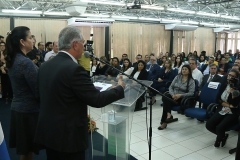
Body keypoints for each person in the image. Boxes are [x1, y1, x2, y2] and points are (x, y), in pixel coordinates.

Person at [34, 26, 125, 160]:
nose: (84, 47)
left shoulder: (45, 66)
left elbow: (40, 95)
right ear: (75, 44)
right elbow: (96, 100)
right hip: (68, 137)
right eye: (83, 43)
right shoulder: (75, 69)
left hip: (49, 133)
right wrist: (119, 88)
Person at [5, 26, 40, 160]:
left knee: (25, 151)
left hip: (18, 109)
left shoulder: (15, 59)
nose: (33, 40)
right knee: (27, 151)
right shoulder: (25, 63)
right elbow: (37, 90)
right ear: (22, 42)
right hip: (28, 112)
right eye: (30, 37)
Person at [206, 69, 240, 148]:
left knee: (220, 128)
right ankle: (223, 136)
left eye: (232, 76)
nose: (230, 77)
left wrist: (233, 94)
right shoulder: (224, 85)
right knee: (209, 124)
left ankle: (219, 138)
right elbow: (217, 98)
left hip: (233, 112)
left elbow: (234, 105)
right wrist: (226, 104)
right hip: (222, 109)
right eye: (229, 75)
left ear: (237, 78)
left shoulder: (238, 89)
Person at [158, 65, 195, 130]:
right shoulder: (178, 77)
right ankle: (168, 115)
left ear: (189, 71)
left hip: (181, 99)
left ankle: (165, 122)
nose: (184, 70)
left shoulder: (191, 81)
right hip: (173, 96)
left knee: (166, 102)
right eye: (183, 69)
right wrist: (173, 95)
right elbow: (171, 87)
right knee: (165, 97)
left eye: (186, 69)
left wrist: (180, 95)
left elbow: (191, 93)